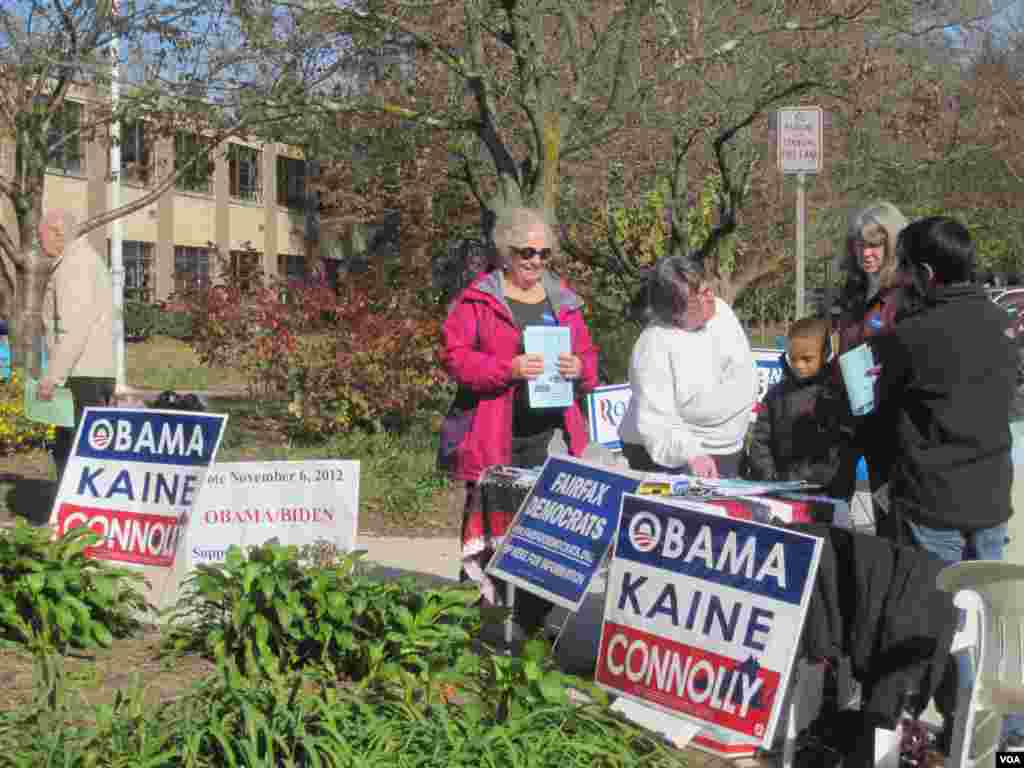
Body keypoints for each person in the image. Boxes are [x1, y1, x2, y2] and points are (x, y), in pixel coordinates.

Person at [874, 216, 1024, 752]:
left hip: (933, 500)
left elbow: (881, 415)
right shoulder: (1000, 323)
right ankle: (1008, 740)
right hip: (989, 495)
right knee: (995, 623)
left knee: (946, 627)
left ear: (928, 273)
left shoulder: (910, 337)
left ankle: (963, 734)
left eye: (908, 268)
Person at [439, 206, 598, 634]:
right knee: (489, 533)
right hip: (494, 435)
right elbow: (455, 358)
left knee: (545, 535)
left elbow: (589, 360)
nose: (536, 262)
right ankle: (481, 625)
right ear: (505, 252)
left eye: (544, 254)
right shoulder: (479, 298)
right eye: (527, 252)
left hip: (550, 437)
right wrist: (506, 370)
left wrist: (578, 369)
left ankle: (531, 625)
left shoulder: (563, 298)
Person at [618, 255, 757, 478]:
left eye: (707, 287)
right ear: (676, 311)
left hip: (728, 450)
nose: (710, 294)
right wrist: (692, 454)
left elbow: (742, 376)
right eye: (699, 295)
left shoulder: (722, 312)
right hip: (674, 460)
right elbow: (658, 422)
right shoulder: (653, 344)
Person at [36, 210, 116, 482]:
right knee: (86, 451)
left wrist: (53, 376)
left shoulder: (75, 265)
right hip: (89, 371)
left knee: (75, 453)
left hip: (80, 374)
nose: (39, 243)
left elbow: (72, 328)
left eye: (40, 236)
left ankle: (73, 517)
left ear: (58, 233)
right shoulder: (83, 261)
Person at [835, 201, 910, 493]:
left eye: (876, 245)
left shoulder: (904, 294)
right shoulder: (851, 290)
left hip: (889, 422)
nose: (867, 253)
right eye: (860, 245)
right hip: (851, 416)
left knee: (888, 513)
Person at [745, 317, 856, 499]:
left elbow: (841, 449)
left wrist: (811, 480)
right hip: (778, 488)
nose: (799, 366)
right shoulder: (776, 394)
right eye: (793, 358)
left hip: (824, 492)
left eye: (807, 359)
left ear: (826, 352)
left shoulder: (836, 394)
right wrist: (770, 478)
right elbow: (760, 441)